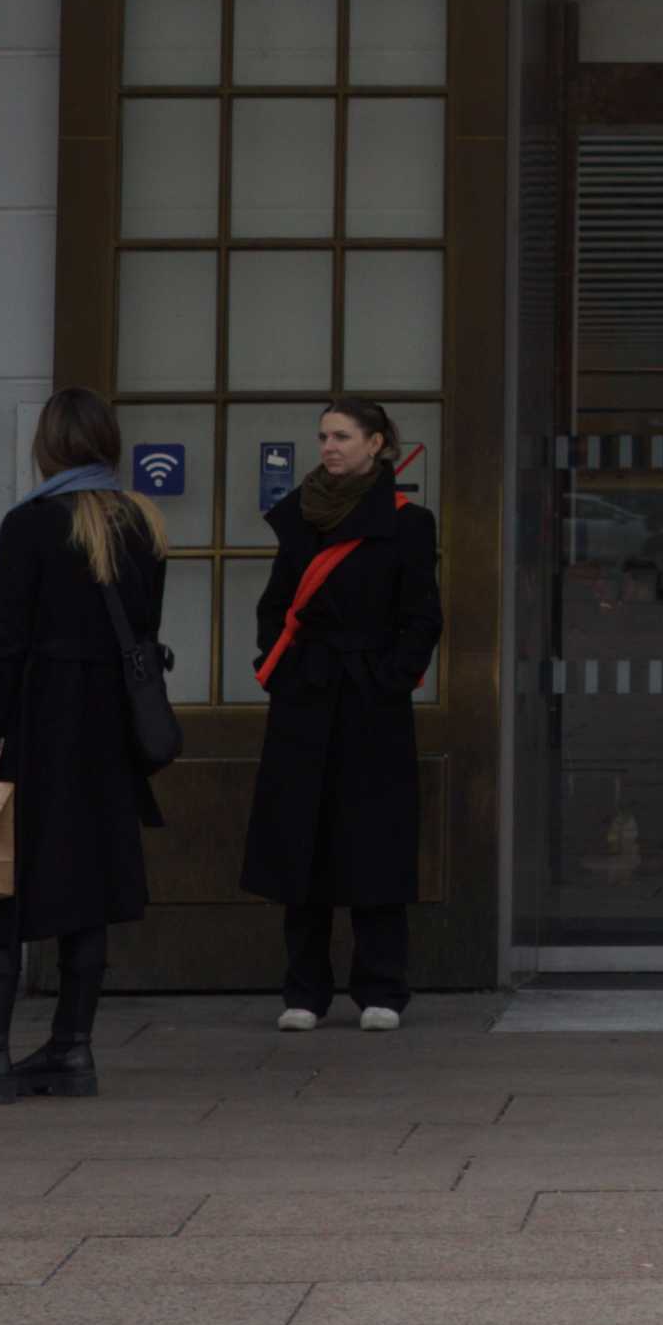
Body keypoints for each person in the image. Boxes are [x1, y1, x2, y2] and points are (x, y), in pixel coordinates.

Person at [0, 390, 166, 1108]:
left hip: (36, 723)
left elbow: (3, 644)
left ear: (46, 448)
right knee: (88, 888)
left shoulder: (31, 525)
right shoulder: (142, 524)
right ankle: (71, 1049)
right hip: (107, 734)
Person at [243, 396, 442, 1029]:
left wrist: (388, 680)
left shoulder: (410, 523)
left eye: (342, 436)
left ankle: (382, 987)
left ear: (376, 443)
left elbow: (422, 616)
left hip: (370, 703)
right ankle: (304, 991)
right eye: (324, 436)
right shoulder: (300, 513)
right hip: (305, 699)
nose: (329, 447)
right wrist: (283, 671)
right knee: (300, 841)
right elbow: (275, 605)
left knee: (375, 842)